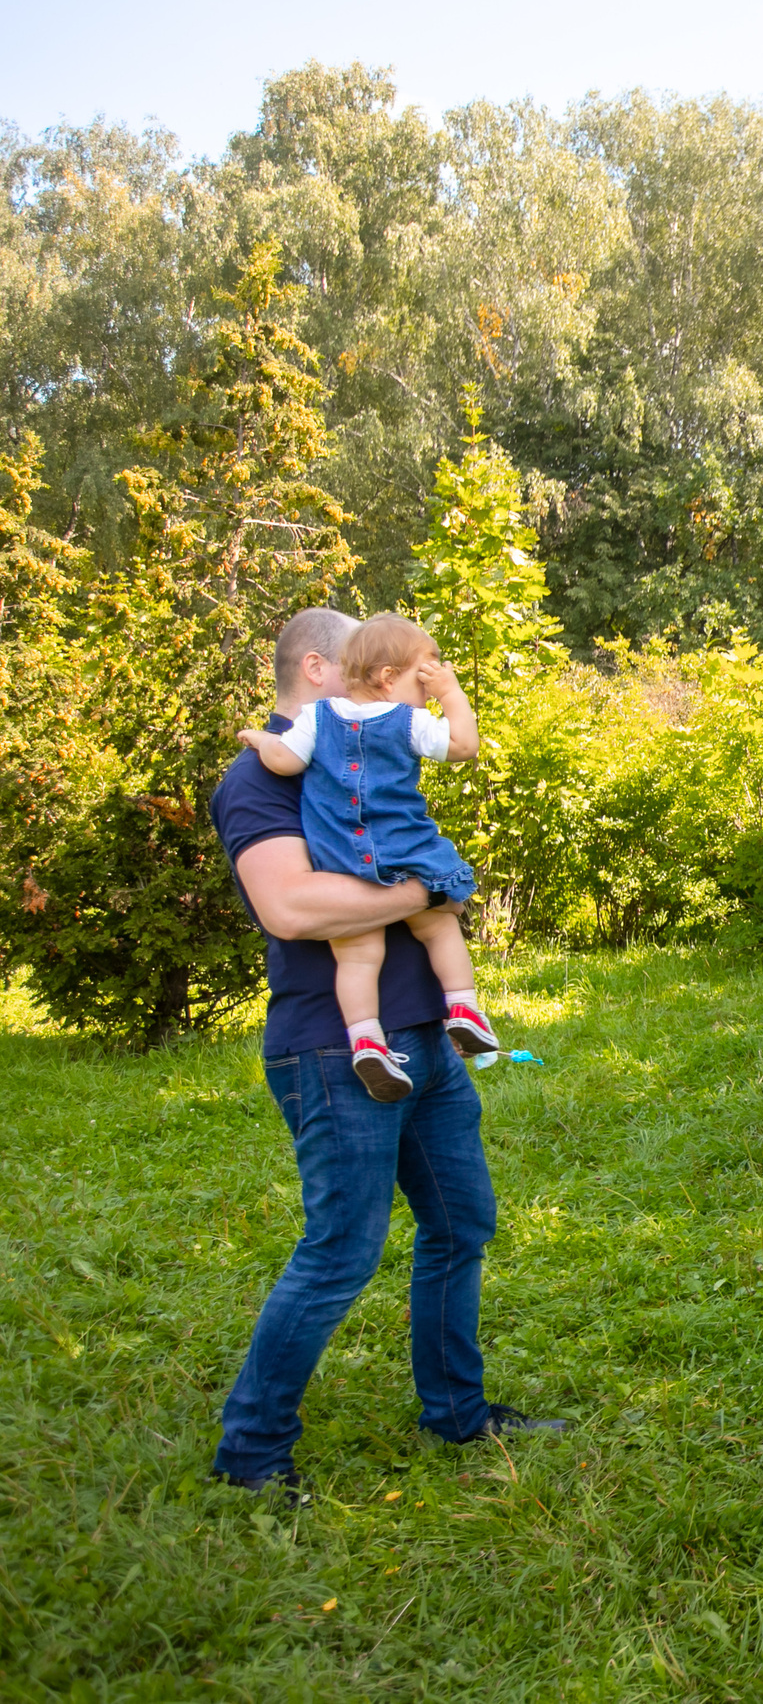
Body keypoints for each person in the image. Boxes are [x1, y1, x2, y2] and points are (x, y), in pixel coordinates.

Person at [209, 608, 561, 1500]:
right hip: (334, 1050)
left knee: (461, 1222)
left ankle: (457, 1411)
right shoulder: (260, 777)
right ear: (321, 666)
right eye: (367, 660)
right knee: (342, 1249)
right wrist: (425, 885)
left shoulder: (374, 746)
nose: (385, 674)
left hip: (423, 1037)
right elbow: (294, 909)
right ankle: (250, 1452)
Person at [237, 612, 499, 1101]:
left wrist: (260, 739)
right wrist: (450, 693)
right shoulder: (410, 721)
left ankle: (365, 1040)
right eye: (422, 677)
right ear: (387, 678)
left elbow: (285, 759)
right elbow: (464, 744)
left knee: (356, 955)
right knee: (441, 925)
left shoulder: (315, 721)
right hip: (408, 852)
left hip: (342, 857)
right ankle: (464, 1008)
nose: (424, 688)